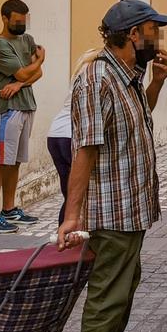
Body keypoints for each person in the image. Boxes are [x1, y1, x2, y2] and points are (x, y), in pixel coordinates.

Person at [57, 0, 167, 332]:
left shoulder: (129, 77)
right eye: (154, 32)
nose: (159, 40)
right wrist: (72, 215)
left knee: (123, 290)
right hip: (112, 213)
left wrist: (157, 83)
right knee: (108, 298)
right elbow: (86, 149)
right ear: (134, 34)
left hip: (131, 209)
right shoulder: (98, 79)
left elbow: (139, 120)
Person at [0, 0, 45, 234]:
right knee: (0, 161)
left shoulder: (26, 40)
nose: (22, 26)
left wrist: (19, 85)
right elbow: (25, 70)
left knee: (15, 161)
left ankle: (9, 209)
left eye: (24, 21)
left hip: (25, 104)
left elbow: (36, 74)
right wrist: (39, 60)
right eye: (18, 22)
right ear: (5, 18)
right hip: (7, 109)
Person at [45, 49, 102, 226]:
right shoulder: (95, 72)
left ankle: (63, 234)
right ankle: (75, 236)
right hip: (72, 135)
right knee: (78, 195)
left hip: (55, 134)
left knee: (69, 194)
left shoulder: (80, 71)